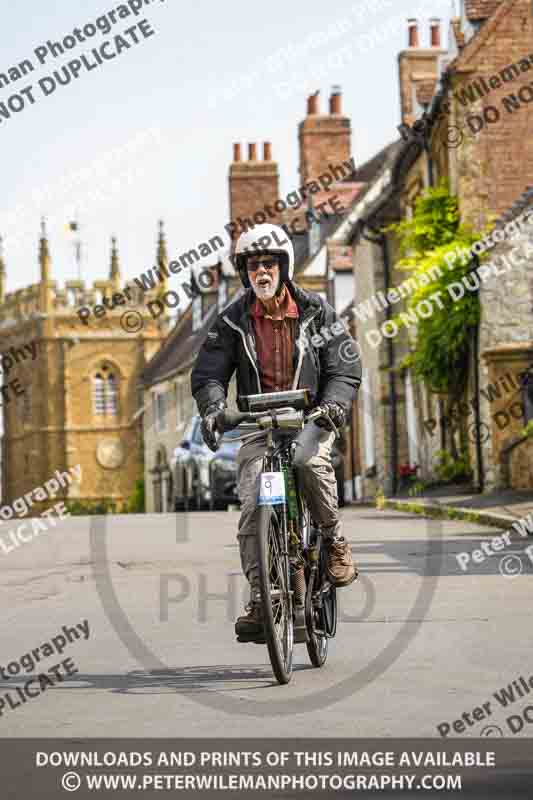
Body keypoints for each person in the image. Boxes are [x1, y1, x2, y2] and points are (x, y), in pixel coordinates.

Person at [191, 223, 362, 637]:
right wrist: (214, 408)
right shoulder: (232, 321)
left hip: (309, 420)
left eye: (268, 263)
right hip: (259, 427)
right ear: (245, 271)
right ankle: (260, 596)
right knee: (252, 502)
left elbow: (345, 365)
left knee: (306, 461)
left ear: (283, 267)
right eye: (253, 265)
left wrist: (334, 405)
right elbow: (209, 372)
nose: (261, 272)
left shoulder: (316, 311)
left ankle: (334, 539)